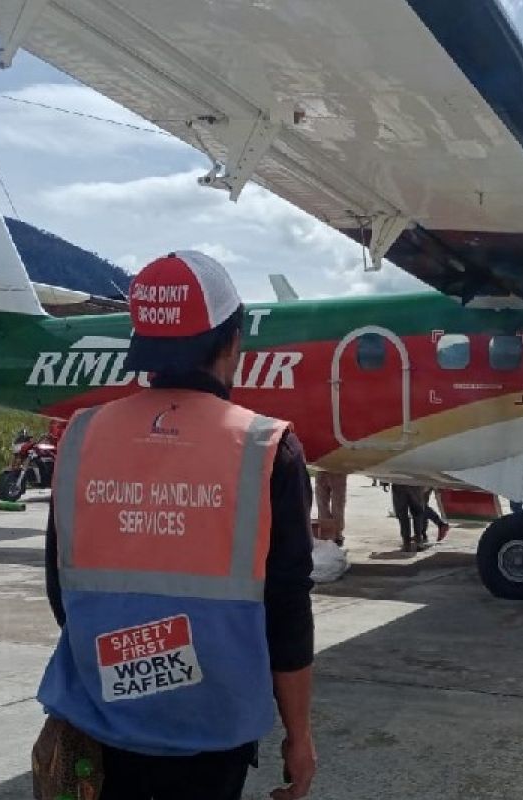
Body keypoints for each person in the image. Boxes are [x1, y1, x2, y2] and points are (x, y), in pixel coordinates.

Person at [38, 252, 316, 800]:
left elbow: (60, 586)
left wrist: (126, 669)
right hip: (214, 733)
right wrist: (299, 736)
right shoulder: (267, 448)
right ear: (232, 341)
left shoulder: (80, 436)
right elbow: (287, 610)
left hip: (99, 721)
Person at [391, 483, 429, 552]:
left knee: (402, 514)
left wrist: (384, 482)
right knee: (417, 512)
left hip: (398, 483)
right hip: (415, 483)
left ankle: (406, 543)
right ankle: (418, 540)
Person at [314, 469, 347, 544]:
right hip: (322, 468)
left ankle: (336, 533)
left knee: (336, 503)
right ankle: (327, 531)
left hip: (336, 467)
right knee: (323, 502)